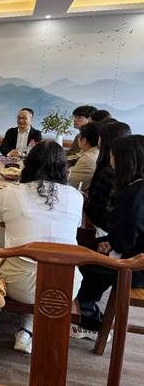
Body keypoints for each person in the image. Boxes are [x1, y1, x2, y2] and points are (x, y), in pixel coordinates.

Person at [0, 140, 83, 354]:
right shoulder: (76, 197)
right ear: (64, 169)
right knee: (47, 265)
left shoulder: (9, 193)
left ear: (28, 164)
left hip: (18, 283)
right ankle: (27, 330)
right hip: (65, 285)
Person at [74, 135, 144, 339]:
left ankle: (90, 323)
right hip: (133, 254)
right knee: (89, 250)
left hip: (134, 266)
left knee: (82, 266)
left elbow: (127, 233)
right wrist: (111, 242)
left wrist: (112, 245)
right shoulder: (137, 187)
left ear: (126, 160)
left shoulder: (133, 194)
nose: (110, 160)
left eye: (113, 156)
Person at [84, 122, 131, 239]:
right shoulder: (128, 169)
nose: (98, 141)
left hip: (102, 232)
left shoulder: (109, 171)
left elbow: (98, 212)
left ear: (106, 141)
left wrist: (82, 200)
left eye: (100, 138)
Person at [68, 122, 101, 193]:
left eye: (79, 136)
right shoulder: (94, 151)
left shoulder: (87, 158)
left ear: (84, 140)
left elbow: (71, 181)